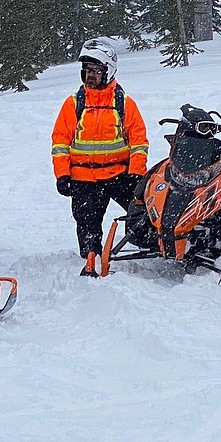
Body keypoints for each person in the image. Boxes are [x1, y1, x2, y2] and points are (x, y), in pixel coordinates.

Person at [51, 38, 148, 276]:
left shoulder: (123, 103)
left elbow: (139, 141)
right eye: (87, 71)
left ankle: (153, 246)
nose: (90, 76)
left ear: (109, 71)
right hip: (83, 178)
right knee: (87, 223)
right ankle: (91, 257)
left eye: (96, 71)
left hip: (119, 175)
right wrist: (62, 175)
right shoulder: (74, 103)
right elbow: (60, 142)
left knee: (145, 213)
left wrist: (136, 173)